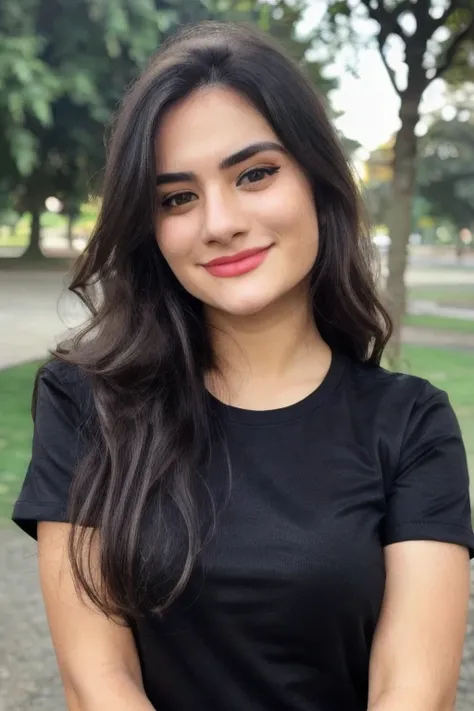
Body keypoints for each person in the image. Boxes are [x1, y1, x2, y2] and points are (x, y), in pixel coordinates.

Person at [12, 20, 474, 711]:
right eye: (177, 197)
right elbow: (97, 681)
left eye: (254, 173)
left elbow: (415, 689)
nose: (219, 221)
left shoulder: (411, 425)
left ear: (317, 181)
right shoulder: (86, 402)